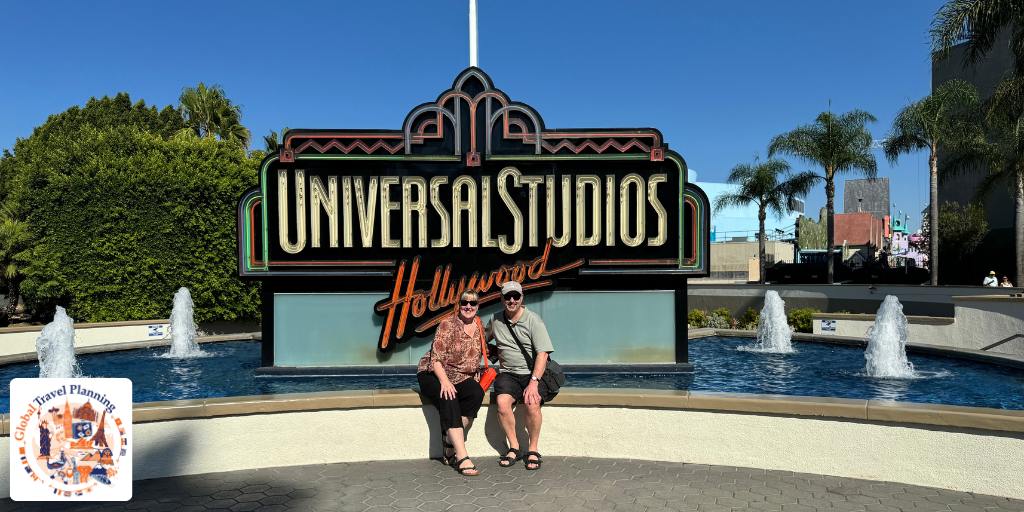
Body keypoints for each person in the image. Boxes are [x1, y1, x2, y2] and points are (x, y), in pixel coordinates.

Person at [416, 289, 486, 476]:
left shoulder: (480, 326)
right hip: (432, 373)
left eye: (472, 303)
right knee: (449, 395)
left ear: (478, 307)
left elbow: (485, 351)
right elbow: (436, 359)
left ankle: (448, 440)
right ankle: (462, 457)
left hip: (460, 375)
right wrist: (445, 382)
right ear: (459, 305)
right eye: (464, 302)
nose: (468, 306)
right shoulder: (447, 325)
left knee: (476, 393)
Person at [487, 281, 554, 471]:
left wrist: (533, 382)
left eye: (516, 296)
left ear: (522, 298)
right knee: (502, 404)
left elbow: (543, 354)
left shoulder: (533, 320)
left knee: (532, 404)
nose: (512, 300)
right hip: (508, 373)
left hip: (532, 374)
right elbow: (481, 340)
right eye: (508, 297)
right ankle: (514, 447)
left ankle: (533, 449)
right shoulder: (495, 320)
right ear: (501, 299)